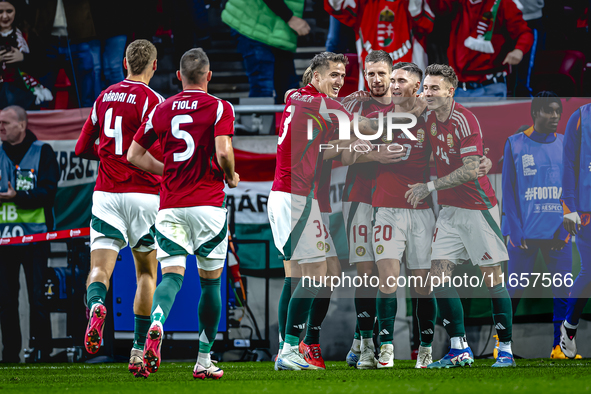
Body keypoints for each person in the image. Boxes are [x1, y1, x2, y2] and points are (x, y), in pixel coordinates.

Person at [127, 48, 239, 380]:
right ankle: (204, 359)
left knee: (172, 277)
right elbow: (223, 151)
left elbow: (134, 154)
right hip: (207, 206)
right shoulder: (220, 106)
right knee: (211, 284)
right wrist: (230, 175)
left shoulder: (161, 109)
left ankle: (157, 321)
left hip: (171, 206)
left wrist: (166, 171)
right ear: (208, 76)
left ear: (178, 76)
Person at [406, 64, 514, 368]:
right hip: (451, 212)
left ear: (451, 91)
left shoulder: (464, 120)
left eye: (434, 88)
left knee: (493, 278)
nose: (428, 93)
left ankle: (504, 349)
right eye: (426, 87)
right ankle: (459, 348)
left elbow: (469, 170)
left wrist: (430, 186)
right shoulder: (428, 117)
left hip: (478, 208)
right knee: (438, 275)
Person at [75, 39, 163, 377]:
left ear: (123, 62)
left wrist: (109, 155)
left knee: (100, 270)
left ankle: (97, 305)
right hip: (144, 195)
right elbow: (162, 152)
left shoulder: (104, 96)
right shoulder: (155, 101)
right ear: (154, 66)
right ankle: (138, 350)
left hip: (106, 195)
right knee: (145, 273)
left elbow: (83, 147)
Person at [501, 92, 580, 359]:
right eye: (549, 111)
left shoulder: (566, 144)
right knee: (512, 292)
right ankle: (502, 347)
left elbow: (574, 190)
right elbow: (508, 192)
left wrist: (565, 231)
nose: (556, 116)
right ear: (535, 113)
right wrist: (513, 229)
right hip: (522, 235)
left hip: (559, 233)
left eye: (558, 111)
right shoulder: (514, 144)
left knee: (563, 293)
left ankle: (560, 348)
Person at [0, 105, 58, 362]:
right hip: (4, 241)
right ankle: (10, 354)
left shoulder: (42, 152)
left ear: (22, 126)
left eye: (5, 122)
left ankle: (41, 352)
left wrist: (18, 197)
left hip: (36, 239)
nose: (0, 126)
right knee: (6, 299)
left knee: (38, 298)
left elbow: (49, 192)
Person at [428, 0, 533, 100]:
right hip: (459, 87)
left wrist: (519, 50)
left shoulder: (504, 4)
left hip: (490, 86)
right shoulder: (458, 3)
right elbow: (439, 8)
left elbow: (524, 32)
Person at [325, 0, 435, 88]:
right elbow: (334, 5)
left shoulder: (413, 4)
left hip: (409, 92)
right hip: (372, 93)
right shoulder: (363, 5)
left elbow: (427, 24)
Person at [221, 0, 306, 102]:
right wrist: (289, 18)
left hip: (275, 29)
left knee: (288, 89)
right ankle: (259, 117)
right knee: (262, 87)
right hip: (253, 24)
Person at [559, 103, 591, 359]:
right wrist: (568, 207)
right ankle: (569, 326)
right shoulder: (580, 117)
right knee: (589, 271)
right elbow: (568, 164)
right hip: (586, 208)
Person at [0, 0, 52, 108]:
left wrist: (23, 58)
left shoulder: (29, 35)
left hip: (25, 98)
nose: (4, 16)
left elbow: (43, 67)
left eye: (9, 11)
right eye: (0, 12)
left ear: (16, 11)